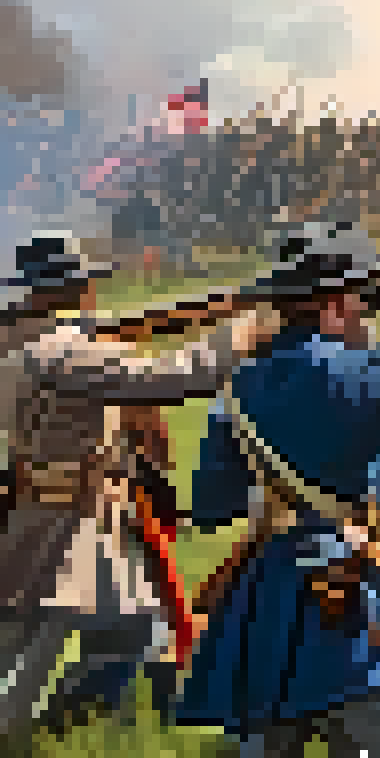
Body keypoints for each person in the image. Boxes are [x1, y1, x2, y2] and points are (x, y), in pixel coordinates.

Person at [175, 220, 380, 757]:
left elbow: (213, 506)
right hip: (342, 607)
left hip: (264, 611)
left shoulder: (235, 389)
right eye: (365, 303)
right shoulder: (348, 372)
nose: (370, 317)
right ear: (337, 304)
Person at [0, 234, 278, 737]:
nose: (92, 293)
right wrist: (240, 330)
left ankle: (64, 729)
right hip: (59, 525)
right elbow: (176, 377)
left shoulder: (24, 341)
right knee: (26, 666)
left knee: (135, 627)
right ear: (72, 290)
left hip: (68, 518)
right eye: (84, 284)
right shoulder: (60, 349)